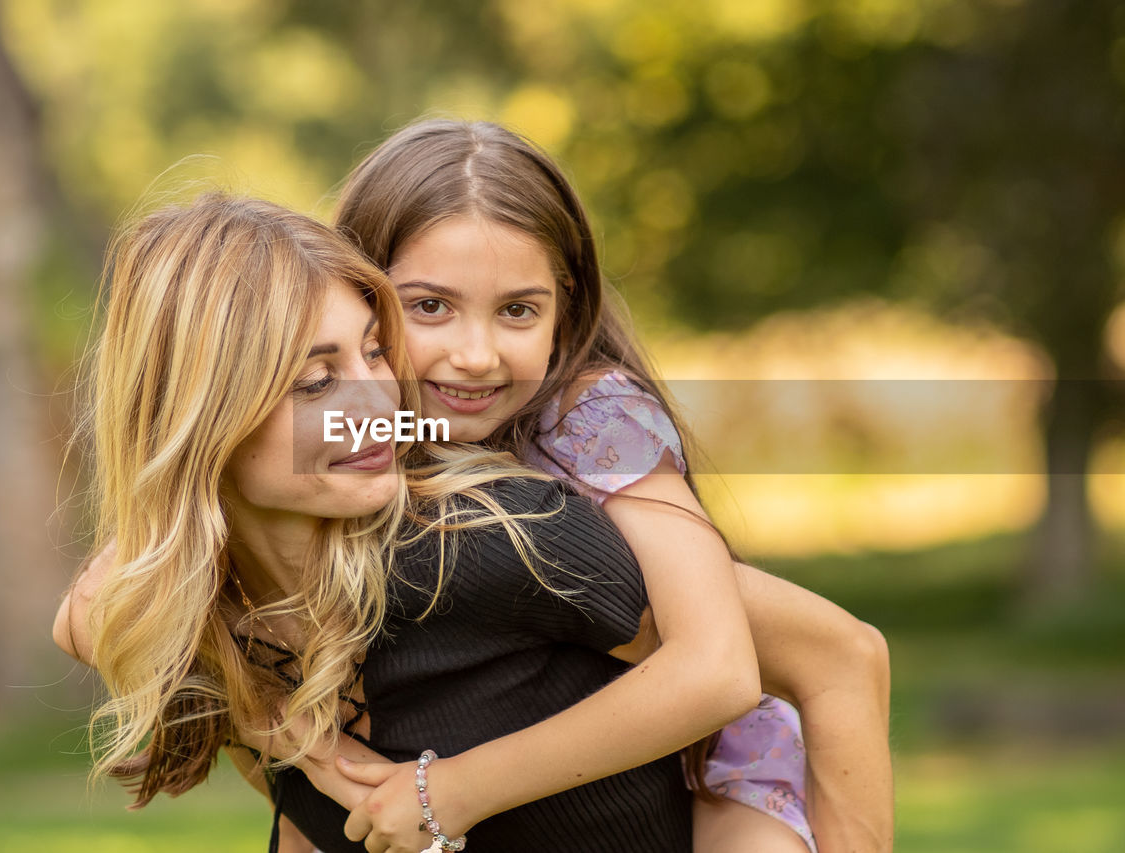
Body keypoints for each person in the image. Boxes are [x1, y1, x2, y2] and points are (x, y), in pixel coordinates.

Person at [57, 190, 737, 853]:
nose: (380, 400)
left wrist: (452, 789)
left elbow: (771, 658)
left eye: (376, 350)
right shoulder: (213, 614)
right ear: (199, 420)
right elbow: (91, 617)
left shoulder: (496, 535)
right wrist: (300, 742)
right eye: (317, 382)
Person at [328, 119, 893, 853]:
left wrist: (453, 791)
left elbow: (718, 670)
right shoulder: (388, 435)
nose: (475, 355)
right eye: (430, 305)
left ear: (563, 314)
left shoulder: (589, 418)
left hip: (721, 766)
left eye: (517, 310)